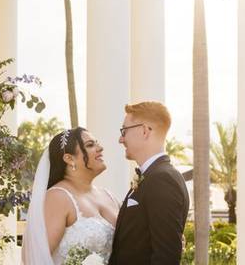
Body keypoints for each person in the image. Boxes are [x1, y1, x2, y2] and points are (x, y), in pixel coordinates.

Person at [23, 127, 120, 264]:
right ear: (69, 158)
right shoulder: (58, 197)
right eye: (90, 145)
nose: (100, 148)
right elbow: (34, 259)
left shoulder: (109, 196)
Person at [109, 102, 189, 265]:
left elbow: (166, 257)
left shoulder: (162, 180)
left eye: (124, 130)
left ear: (144, 130)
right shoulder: (154, 176)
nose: (120, 139)